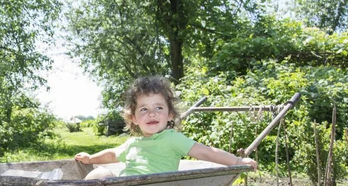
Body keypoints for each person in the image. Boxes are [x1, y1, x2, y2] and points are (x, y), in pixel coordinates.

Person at [74, 76, 257, 179]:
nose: (152, 113)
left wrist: (237, 162)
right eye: (144, 109)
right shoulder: (133, 143)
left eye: (158, 108)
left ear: (170, 115)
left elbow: (206, 152)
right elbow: (112, 154)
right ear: (134, 118)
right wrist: (90, 159)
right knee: (100, 173)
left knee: (100, 176)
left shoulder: (172, 139)